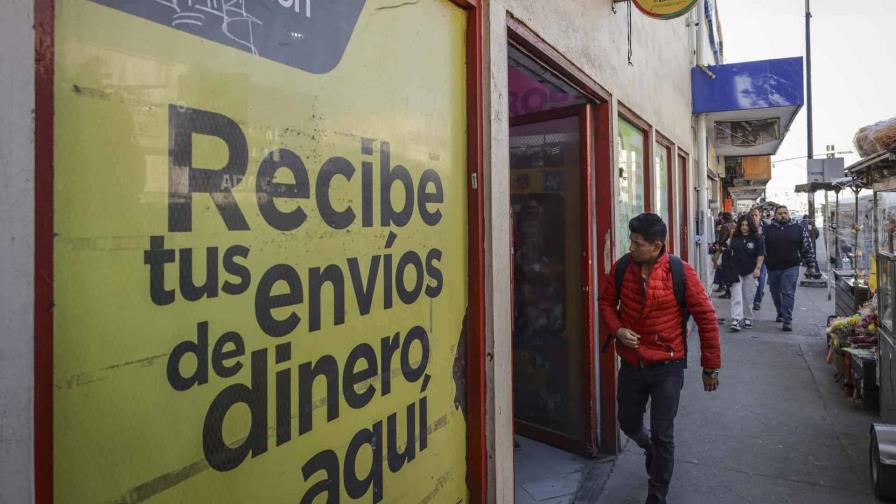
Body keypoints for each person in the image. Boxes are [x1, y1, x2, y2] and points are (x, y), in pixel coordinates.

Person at [599, 213, 721, 504]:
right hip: (632, 364)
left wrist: (710, 367)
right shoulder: (622, 268)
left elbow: (706, 317)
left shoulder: (680, 272)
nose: (631, 248)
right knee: (628, 423)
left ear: (656, 246)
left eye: (637, 243)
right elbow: (606, 302)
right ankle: (649, 448)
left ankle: (657, 495)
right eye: (631, 241)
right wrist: (618, 330)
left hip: (668, 366)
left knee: (664, 433)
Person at [764, 205, 817, 331]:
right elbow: (762, 248)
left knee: (788, 292)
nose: (783, 215)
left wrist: (811, 265)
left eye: (785, 213)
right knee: (775, 292)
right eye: (780, 213)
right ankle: (780, 312)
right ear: (775, 216)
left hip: (791, 266)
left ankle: (787, 320)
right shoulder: (768, 230)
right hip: (773, 267)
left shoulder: (798, 229)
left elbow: (807, 247)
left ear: (788, 214)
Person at [727, 215, 765, 331]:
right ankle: (736, 319)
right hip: (736, 270)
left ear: (751, 226)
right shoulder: (735, 236)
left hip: (751, 271)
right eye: (742, 225)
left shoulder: (757, 238)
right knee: (736, 295)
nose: (744, 227)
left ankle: (748, 317)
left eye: (747, 225)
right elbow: (729, 249)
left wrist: (758, 268)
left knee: (748, 296)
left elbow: (760, 254)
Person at [749, 207, 767, 311]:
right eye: (752, 215)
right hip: (749, 258)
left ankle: (757, 301)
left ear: (759, 216)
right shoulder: (745, 226)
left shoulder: (766, 227)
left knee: (761, 279)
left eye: (756, 215)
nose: (754, 217)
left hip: (762, 258)